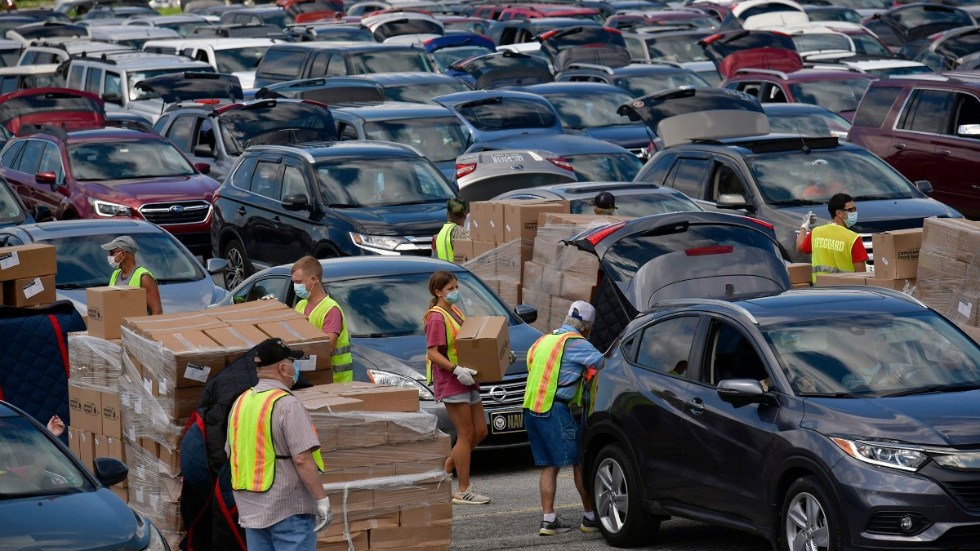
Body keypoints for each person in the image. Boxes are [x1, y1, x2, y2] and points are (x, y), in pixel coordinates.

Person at [227, 338, 331, 551]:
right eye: (293, 362)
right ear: (283, 368)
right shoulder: (287, 404)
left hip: (252, 510)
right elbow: (302, 459)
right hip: (288, 509)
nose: (296, 367)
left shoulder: (241, 402)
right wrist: (322, 500)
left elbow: (231, 451)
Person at [523, 300, 601, 536]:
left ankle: (548, 520)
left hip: (531, 409)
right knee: (579, 461)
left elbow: (532, 366)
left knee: (550, 465)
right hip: (554, 409)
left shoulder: (543, 340)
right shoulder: (576, 343)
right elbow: (603, 362)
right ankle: (590, 518)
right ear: (587, 326)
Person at [424, 270, 490, 505]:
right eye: (450, 289)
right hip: (453, 381)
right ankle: (463, 489)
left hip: (468, 379)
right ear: (438, 292)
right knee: (466, 434)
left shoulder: (456, 312)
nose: (455, 292)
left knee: (480, 431)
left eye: (456, 287)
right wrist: (455, 370)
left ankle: (444, 469)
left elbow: (468, 343)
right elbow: (433, 352)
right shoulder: (436, 317)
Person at [291, 256, 353, 383]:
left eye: (298, 282)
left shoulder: (330, 309)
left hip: (335, 383)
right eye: (294, 282)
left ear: (313, 279)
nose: (295, 286)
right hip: (312, 380)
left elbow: (326, 349)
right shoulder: (300, 305)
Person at [795, 193, 868, 284]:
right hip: (847, 291)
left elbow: (799, 247)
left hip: (821, 290)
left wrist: (804, 226)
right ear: (839, 213)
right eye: (851, 210)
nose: (854, 213)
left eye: (855, 209)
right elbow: (862, 274)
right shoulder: (853, 238)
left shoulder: (816, 232)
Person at [101, 236, 162, 315]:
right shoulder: (115, 274)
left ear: (123, 253)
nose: (109, 256)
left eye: (112, 252)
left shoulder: (144, 278)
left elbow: (157, 311)